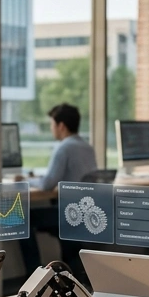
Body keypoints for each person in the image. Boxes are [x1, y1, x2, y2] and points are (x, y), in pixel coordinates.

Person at [18, 103, 97, 276]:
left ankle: (35, 273)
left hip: (70, 214)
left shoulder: (64, 148)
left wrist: (27, 180)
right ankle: (72, 267)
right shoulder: (87, 147)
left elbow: (47, 184)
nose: (52, 129)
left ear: (61, 126)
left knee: (22, 218)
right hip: (87, 213)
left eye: (52, 125)